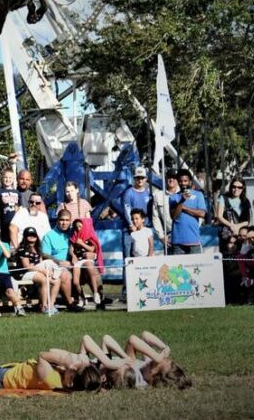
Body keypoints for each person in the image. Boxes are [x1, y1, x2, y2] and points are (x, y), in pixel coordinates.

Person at [79, 331, 191, 390]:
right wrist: (164, 347)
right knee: (104, 339)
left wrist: (157, 357)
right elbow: (145, 335)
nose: (152, 360)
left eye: (154, 363)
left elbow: (132, 340)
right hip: (104, 363)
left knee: (84, 350)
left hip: (95, 370)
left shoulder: (135, 376)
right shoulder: (145, 369)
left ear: (153, 376)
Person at [120, 167, 152, 299]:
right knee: (128, 259)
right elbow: (127, 209)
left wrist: (145, 227)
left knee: (144, 257)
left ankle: (144, 287)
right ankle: (127, 290)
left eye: (142, 178)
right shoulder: (128, 193)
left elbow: (150, 211)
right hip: (129, 231)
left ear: (145, 179)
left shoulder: (148, 193)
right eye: (137, 178)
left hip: (143, 230)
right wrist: (131, 225)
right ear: (134, 179)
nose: (140, 180)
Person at [41, 210, 82, 312]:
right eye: (62, 220)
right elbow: (45, 254)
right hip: (58, 265)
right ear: (57, 220)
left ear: (70, 221)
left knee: (91, 268)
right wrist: (58, 261)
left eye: (67, 220)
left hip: (76, 264)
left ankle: (99, 298)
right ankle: (70, 304)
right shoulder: (49, 235)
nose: (64, 223)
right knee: (65, 274)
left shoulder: (75, 233)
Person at [15, 227, 61, 314]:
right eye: (29, 236)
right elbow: (27, 266)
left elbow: (39, 263)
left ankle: (51, 305)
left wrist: (41, 269)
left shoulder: (38, 249)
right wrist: (42, 270)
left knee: (57, 281)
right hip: (25, 273)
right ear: (25, 237)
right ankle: (44, 306)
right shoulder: (22, 250)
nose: (32, 238)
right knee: (44, 279)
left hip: (37, 271)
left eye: (33, 236)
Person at [168, 169, 207, 255]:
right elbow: (173, 216)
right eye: (181, 181)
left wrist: (185, 208)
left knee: (196, 268)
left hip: (194, 240)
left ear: (190, 182)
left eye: (185, 181)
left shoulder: (198, 195)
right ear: (178, 182)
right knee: (178, 269)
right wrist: (182, 201)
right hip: (178, 242)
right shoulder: (173, 197)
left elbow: (202, 214)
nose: (183, 183)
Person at [69, 218, 104, 306]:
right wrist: (73, 256)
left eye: (80, 226)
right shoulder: (74, 236)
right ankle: (82, 297)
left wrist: (82, 243)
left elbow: (92, 249)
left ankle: (95, 293)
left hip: (87, 259)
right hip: (78, 260)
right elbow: (71, 249)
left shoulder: (88, 235)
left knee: (90, 268)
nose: (78, 229)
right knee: (75, 282)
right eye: (76, 227)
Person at [215, 177, 251, 251]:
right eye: (234, 187)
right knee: (226, 257)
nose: (236, 189)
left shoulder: (246, 201)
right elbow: (219, 216)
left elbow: (247, 221)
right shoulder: (223, 198)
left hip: (240, 235)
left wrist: (237, 227)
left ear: (243, 188)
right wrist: (231, 226)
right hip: (225, 234)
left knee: (241, 257)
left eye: (239, 187)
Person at [152, 169, 179, 252]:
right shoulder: (158, 195)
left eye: (174, 178)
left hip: (186, 234)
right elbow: (155, 217)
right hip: (169, 236)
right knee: (171, 264)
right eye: (169, 177)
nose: (171, 180)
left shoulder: (184, 194)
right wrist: (161, 236)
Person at [0, 168, 19, 244]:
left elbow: (18, 208)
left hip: (15, 223)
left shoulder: (17, 192)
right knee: (5, 242)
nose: (8, 179)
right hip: (4, 223)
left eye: (10, 177)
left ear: (13, 179)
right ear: (2, 178)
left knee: (16, 241)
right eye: (5, 177)